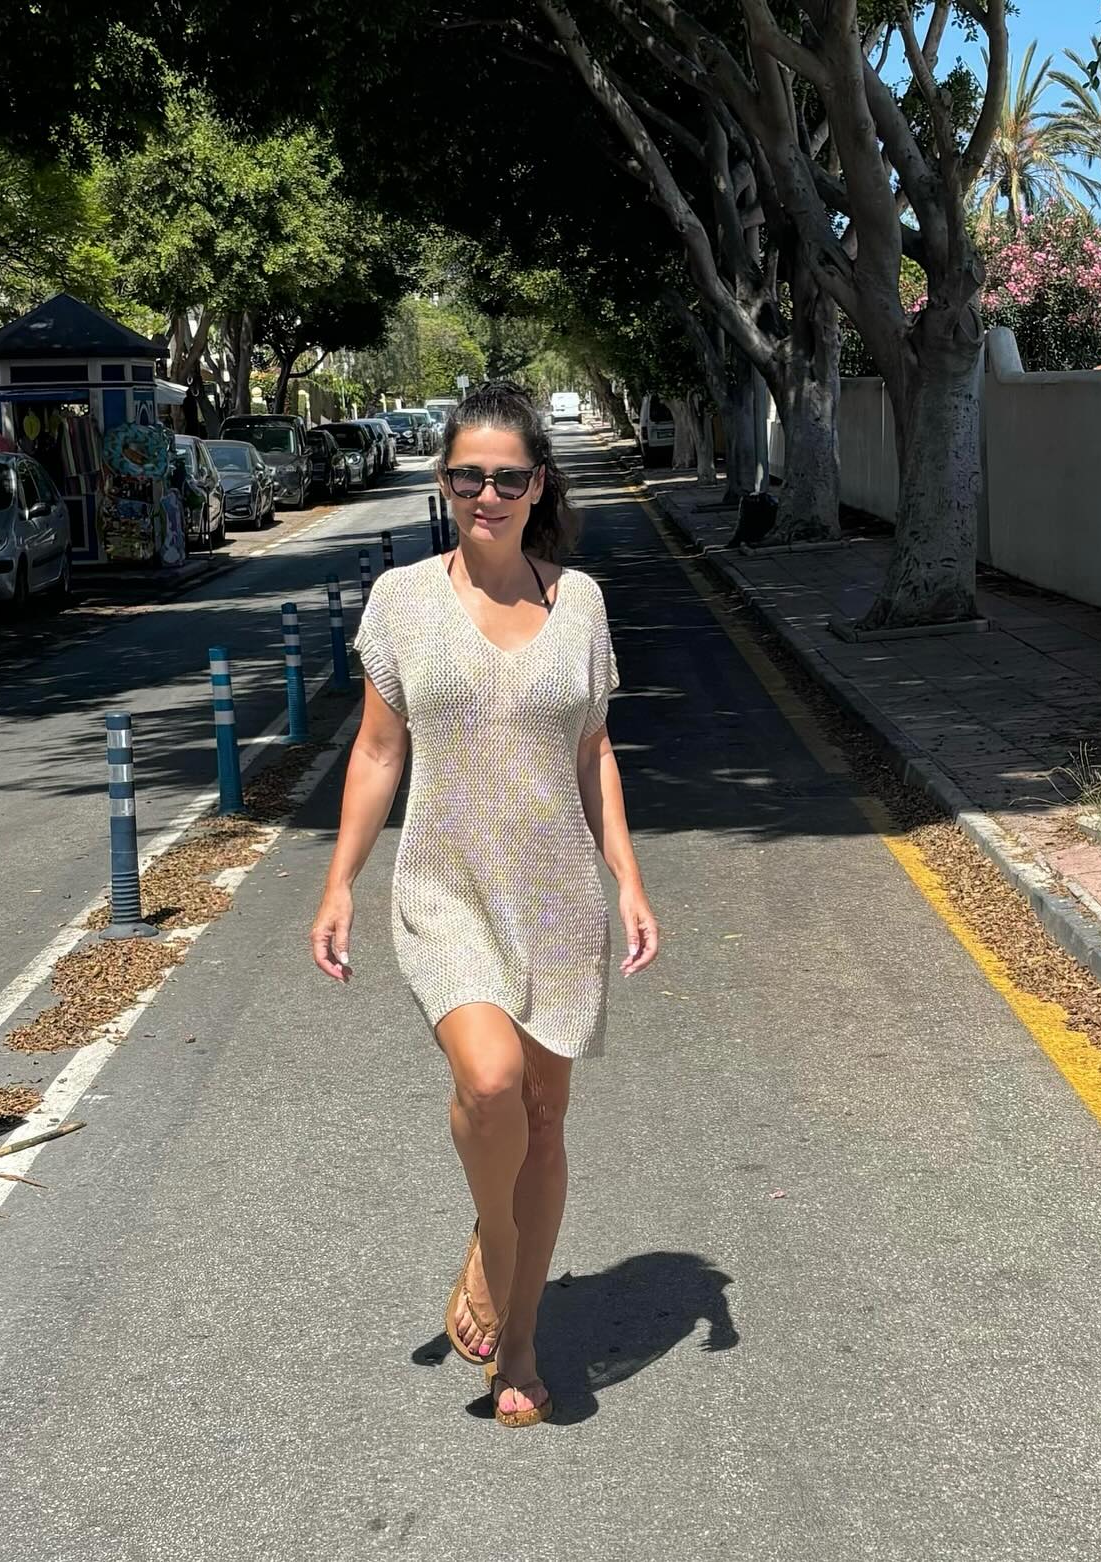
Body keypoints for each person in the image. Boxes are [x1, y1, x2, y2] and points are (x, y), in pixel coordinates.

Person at [310, 381, 659, 1428]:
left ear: (538, 484)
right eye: (469, 476)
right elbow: (379, 751)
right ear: (445, 481)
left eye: (509, 477)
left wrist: (629, 877)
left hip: (556, 897)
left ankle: (521, 1338)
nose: (489, 494)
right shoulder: (402, 600)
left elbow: (594, 752)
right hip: (447, 888)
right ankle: (498, 1244)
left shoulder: (579, 603)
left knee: (543, 1118)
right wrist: (339, 880)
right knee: (493, 1079)